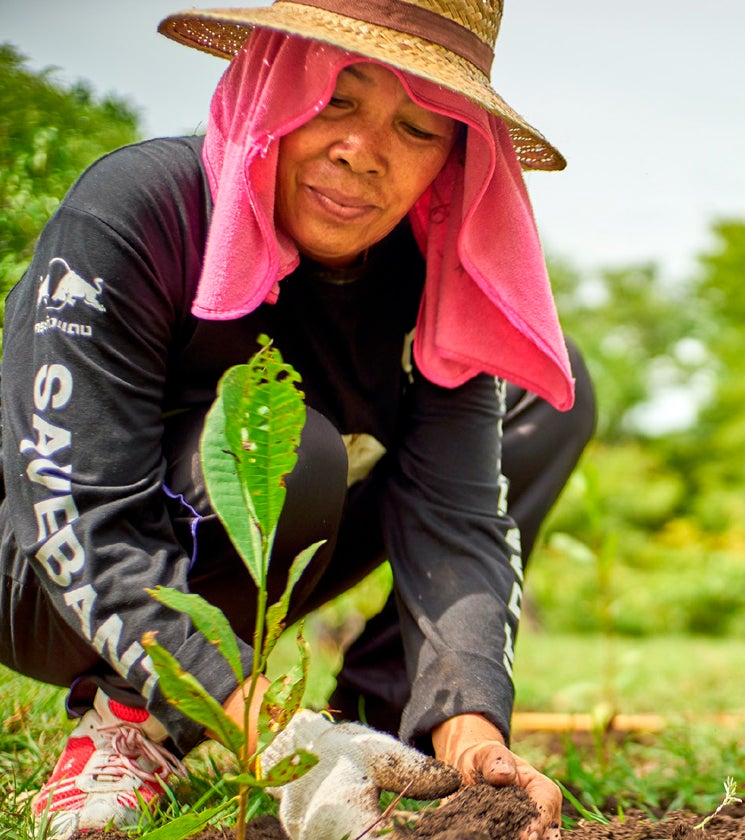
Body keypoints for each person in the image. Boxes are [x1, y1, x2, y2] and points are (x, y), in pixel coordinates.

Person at [0, 1, 596, 838]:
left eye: (421, 130)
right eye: (338, 99)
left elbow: (457, 521)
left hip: (261, 553)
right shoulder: (138, 212)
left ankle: (392, 733)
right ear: (276, 87)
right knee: (286, 444)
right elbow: (77, 506)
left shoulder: (434, 278)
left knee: (551, 389)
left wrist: (475, 740)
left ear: (455, 161)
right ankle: (133, 723)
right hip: (44, 575)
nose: (364, 151)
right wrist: (282, 743)